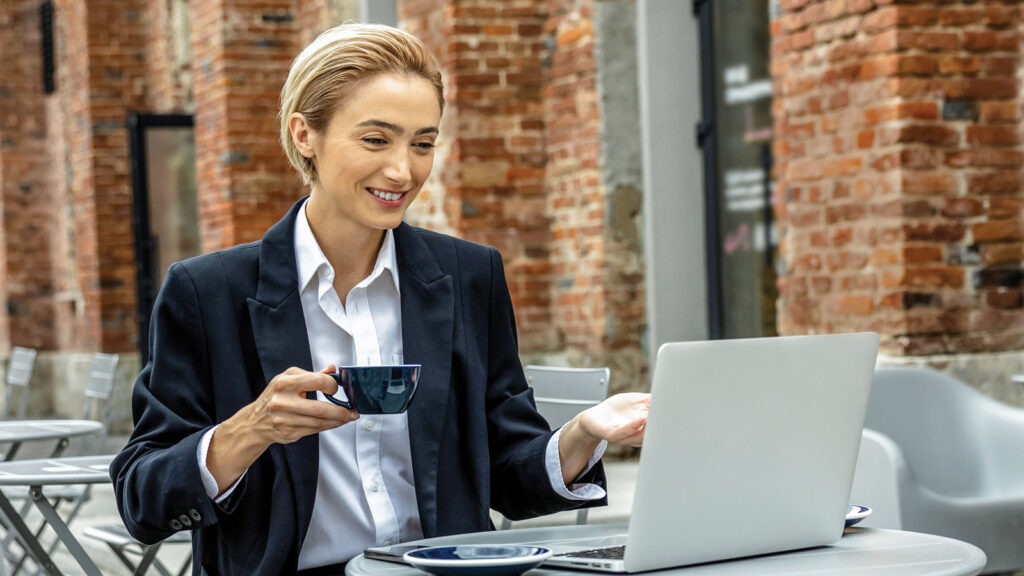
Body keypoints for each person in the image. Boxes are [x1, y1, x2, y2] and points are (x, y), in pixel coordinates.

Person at [111, 23, 650, 576]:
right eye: (375, 139)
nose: (403, 170)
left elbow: (508, 474)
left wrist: (584, 433)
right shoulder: (207, 293)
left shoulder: (469, 276)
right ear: (305, 135)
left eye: (423, 143)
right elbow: (143, 501)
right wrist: (252, 429)